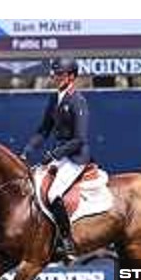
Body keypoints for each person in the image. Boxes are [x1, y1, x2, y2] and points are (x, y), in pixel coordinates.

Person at [21, 57, 90, 261]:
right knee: (32, 186)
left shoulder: (78, 100)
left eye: (60, 74)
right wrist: (26, 150)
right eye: (55, 74)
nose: (56, 78)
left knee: (53, 193)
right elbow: (44, 130)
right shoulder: (55, 99)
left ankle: (67, 242)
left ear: (71, 77)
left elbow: (80, 139)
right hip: (61, 155)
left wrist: (53, 155)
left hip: (76, 157)